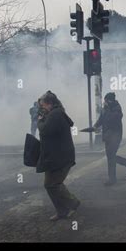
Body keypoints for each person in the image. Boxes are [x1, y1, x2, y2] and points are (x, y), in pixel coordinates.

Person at [37, 91, 80, 221]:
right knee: (51, 184)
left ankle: (71, 203)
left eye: (43, 105)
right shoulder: (55, 113)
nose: (42, 108)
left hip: (60, 157)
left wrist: (39, 121)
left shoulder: (55, 114)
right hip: (55, 156)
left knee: (53, 184)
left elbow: (44, 131)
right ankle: (62, 210)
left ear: (49, 104)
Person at [93, 92, 126, 186]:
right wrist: (96, 125)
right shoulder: (105, 109)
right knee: (110, 157)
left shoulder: (117, 109)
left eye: (106, 101)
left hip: (116, 136)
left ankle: (112, 179)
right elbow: (101, 119)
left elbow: (113, 119)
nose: (104, 103)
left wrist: (107, 110)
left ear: (110, 101)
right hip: (107, 136)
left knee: (111, 157)